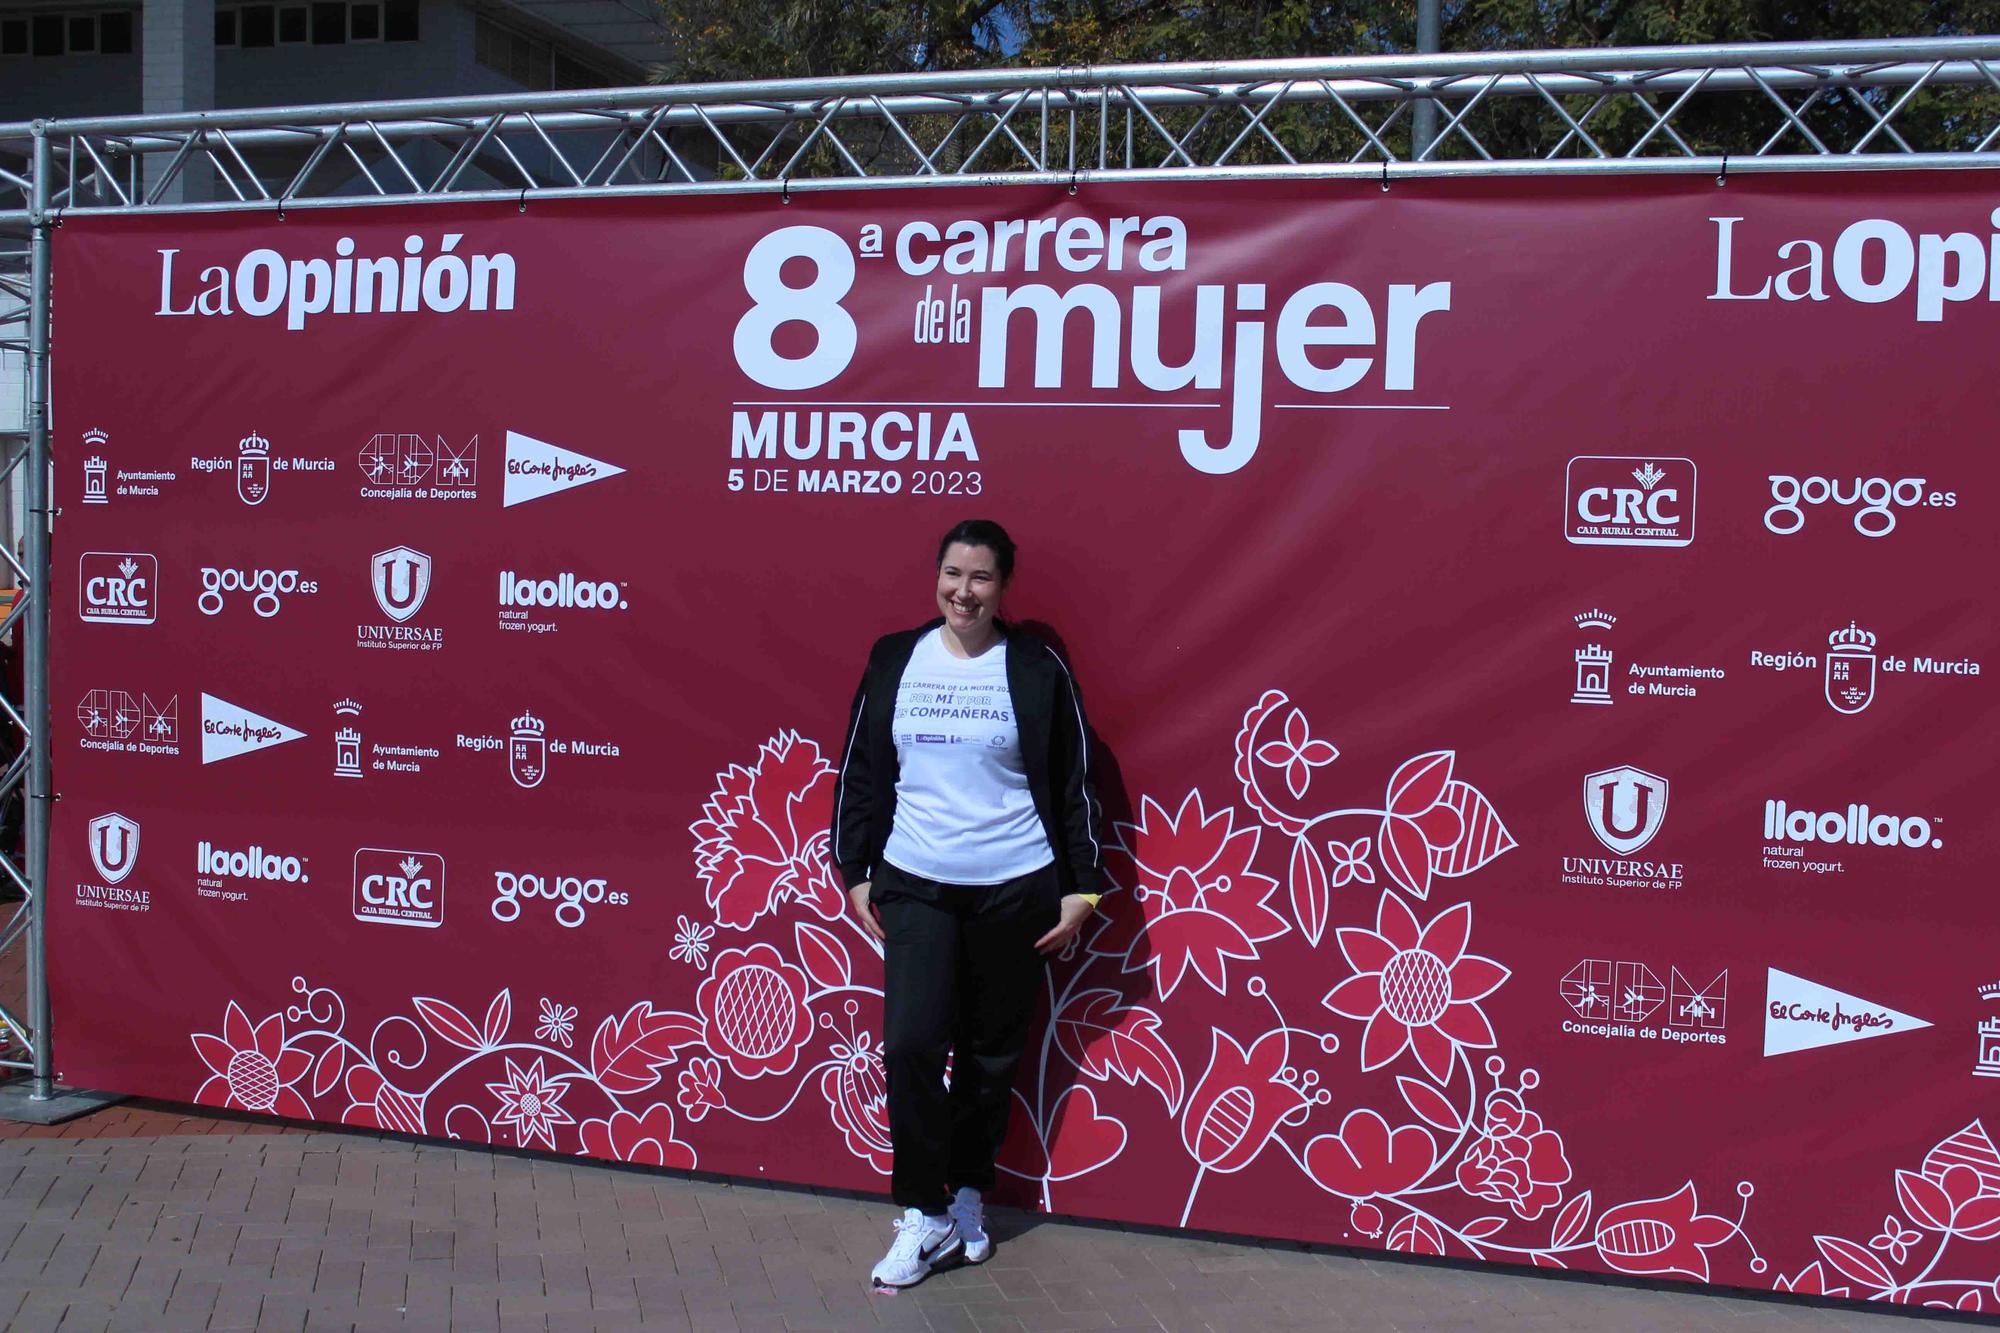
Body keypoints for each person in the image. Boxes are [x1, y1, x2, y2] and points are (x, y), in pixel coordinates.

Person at [834, 518, 1107, 1288]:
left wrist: (1083, 886)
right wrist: (853, 867)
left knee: (989, 1058)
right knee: (914, 1045)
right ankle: (920, 1215)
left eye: (981, 577)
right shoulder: (897, 658)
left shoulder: (1034, 665)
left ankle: (964, 1199)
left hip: (1014, 886)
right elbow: (860, 769)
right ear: (937, 576)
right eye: (953, 573)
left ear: (1003, 586)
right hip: (915, 882)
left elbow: (1074, 780)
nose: (965, 590)